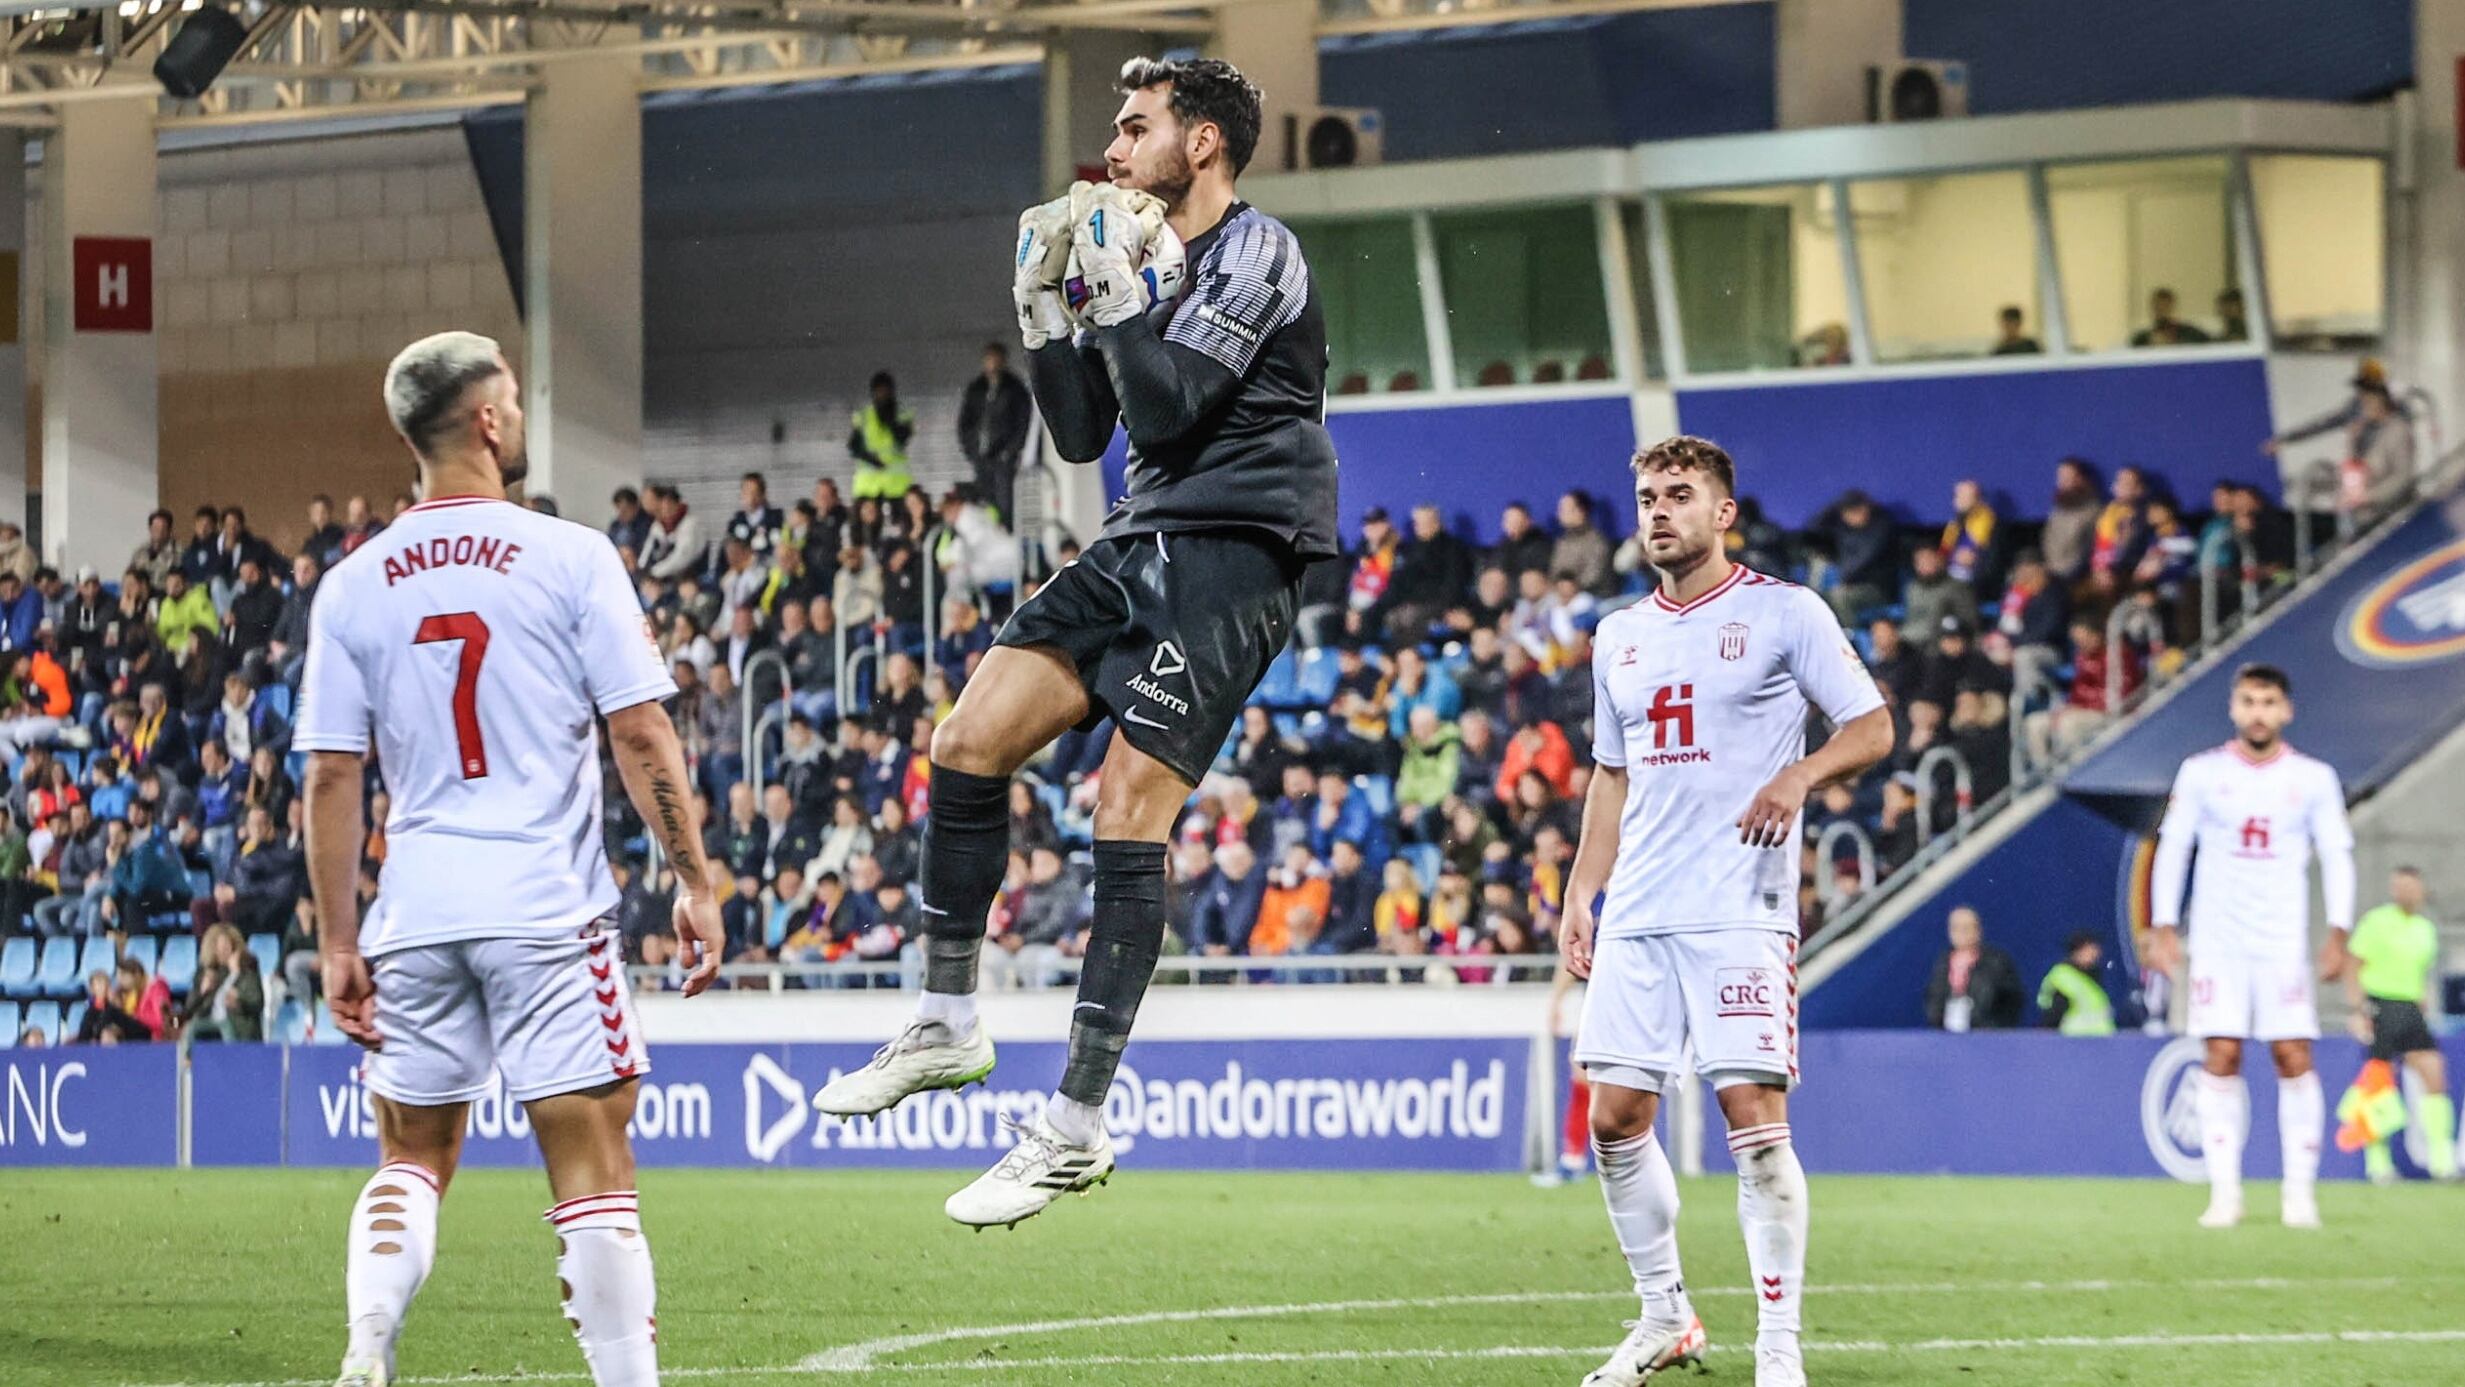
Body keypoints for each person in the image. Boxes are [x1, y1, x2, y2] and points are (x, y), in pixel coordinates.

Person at [811, 56, 1336, 1231]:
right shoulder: (1140, 251)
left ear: (1200, 145)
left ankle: (1075, 1127)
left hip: (1242, 545)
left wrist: (1109, 292)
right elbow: (1080, 428)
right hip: (1141, 530)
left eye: (1137, 122)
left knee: (1122, 812)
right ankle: (947, 1021)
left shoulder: (1256, 251)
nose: (1115, 137)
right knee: (964, 740)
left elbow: (1162, 408)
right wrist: (1046, 312)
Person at [296, 330, 724, 1387]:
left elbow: (331, 781)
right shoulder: (569, 556)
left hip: (419, 912)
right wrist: (693, 878)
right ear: (486, 420)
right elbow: (639, 734)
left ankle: (366, 1347)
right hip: (546, 907)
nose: (523, 418)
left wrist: (339, 940)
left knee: (411, 1156)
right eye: (516, 401)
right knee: (592, 1163)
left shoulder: (351, 587)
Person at [1559, 436, 1893, 1387]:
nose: (1659, 511)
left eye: (1679, 495)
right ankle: (1664, 1313)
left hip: (1740, 910)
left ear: (1723, 513)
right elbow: (1610, 777)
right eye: (1648, 496)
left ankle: (1778, 1349)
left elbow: (1871, 725)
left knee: (1752, 1118)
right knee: (1614, 1117)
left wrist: (1798, 774)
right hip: (1639, 913)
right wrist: (1584, 892)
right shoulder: (1617, 635)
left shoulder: (1785, 614)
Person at [2146, 663, 2353, 1230]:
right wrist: (2164, 925)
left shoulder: (2313, 778)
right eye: (2248, 701)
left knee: (2293, 1055)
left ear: (2285, 710)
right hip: (2218, 939)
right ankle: (2225, 1193)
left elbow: (2336, 853)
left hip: (2282, 939)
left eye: (2268, 702)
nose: (2257, 712)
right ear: (2234, 709)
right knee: (2222, 1054)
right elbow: (2174, 847)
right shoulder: (2201, 773)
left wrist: (2338, 931)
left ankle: (2299, 1194)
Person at [2341, 866, 2455, 1182]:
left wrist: (2422, 1001)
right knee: (2379, 1083)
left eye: (2410, 887)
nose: (2405, 893)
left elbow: (2420, 972)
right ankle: (2378, 1163)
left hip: (2410, 1006)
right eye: (2399, 886)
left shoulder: (2424, 928)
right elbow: (2353, 964)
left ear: (2420, 891)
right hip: (2380, 1003)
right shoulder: (2376, 922)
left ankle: (2442, 1161)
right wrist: (2357, 1007)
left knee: (2433, 1073)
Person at [957, 342, 1033, 524]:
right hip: (981, 456)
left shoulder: (1014, 388)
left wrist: (1010, 451)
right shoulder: (976, 388)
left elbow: (1023, 422)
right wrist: (971, 449)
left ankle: (1005, 534)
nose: (993, 364)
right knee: (984, 500)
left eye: (996, 360)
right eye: (990, 360)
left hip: (1003, 458)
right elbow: (965, 422)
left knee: (1004, 502)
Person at [1923, 905, 2024, 1030]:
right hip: (1948, 1035)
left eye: (1966, 928)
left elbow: (2011, 1001)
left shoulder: (1996, 962)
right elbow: (1934, 997)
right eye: (1955, 928)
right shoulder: (1942, 963)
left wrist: (1995, 1027)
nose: (1961, 933)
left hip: (1986, 1035)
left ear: (1978, 930)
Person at [848, 371, 915, 502]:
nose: (882, 395)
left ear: (892, 392)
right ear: (873, 393)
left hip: (896, 486)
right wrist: (871, 460)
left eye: (886, 391)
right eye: (879, 391)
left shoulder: (902, 414)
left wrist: (890, 418)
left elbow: (902, 439)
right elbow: (854, 447)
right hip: (868, 487)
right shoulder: (863, 416)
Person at [2036, 930, 2116, 1035]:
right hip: (2074, 1041)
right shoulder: (2063, 976)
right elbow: (2054, 1014)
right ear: (2078, 950)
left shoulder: (2093, 976)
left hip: (2099, 1041)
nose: (2096, 952)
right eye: (2090, 948)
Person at [2131, 287, 2212, 347]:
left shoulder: (2191, 333)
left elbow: (2212, 346)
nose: (2161, 312)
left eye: (2165, 307)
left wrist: (2172, 344)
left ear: (2172, 307)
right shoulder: (2141, 339)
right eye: (2157, 308)